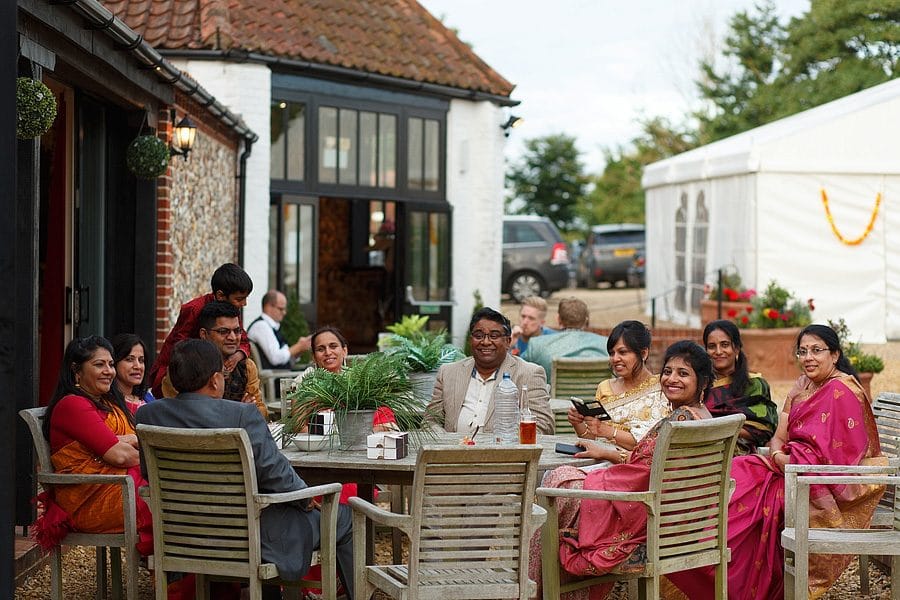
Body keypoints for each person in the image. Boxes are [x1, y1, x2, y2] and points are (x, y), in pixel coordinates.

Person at [136, 339, 354, 600]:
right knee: (345, 517)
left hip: (183, 536)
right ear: (216, 380)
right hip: (248, 537)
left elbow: (149, 474)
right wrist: (307, 497)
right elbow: (275, 473)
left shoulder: (148, 416)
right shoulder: (241, 415)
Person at [682, 324, 884, 600]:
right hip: (787, 468)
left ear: (834, 355)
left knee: (743, 507)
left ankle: (734, 583)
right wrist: (778, 456)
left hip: (816, 484)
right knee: (736, 473)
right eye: (802, 351)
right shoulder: (803, 386)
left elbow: (835, 461)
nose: (808, 357)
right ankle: (700, 559)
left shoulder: (843, 391)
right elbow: (779, 435)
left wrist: (783, 459)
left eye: (817, 350)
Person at [528, 340, 716, 599]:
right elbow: (651, 467)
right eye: (668, 371)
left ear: (703, 382)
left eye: (683, 373)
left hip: (650, 518)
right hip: (680, 519)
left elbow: (641, 474)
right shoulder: (704, 418)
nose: (672, 379)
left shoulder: (681, 419)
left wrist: (597, 472)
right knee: (567, 481)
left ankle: (535, 591)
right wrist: (606, 456)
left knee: (557, 483)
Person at [33, 336, 153, 555]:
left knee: (176, 498)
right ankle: (176, 584)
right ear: (76, 370)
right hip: (90, 497)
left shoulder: (103, 402)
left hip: (115, 485)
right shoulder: (73, 404)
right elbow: (120, 456)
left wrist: (127, 441)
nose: (109, 371)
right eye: (99, 364)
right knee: (172, 504)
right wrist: (156, 459)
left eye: (110, 363)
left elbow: (121, 443)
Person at [427, 307, 554, 435]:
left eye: (494, 336)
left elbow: (543, 426)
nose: (486, 342)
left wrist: (504, 442)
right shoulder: (448, 372)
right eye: (478, 335)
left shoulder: (529, 374)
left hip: (506, 452)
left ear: (508, 342)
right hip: (453, 452)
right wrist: (445, 441)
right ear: (471, 340)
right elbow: (430, 420)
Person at [148, 263, 253, 397]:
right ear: (220, 295)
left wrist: (237, 356)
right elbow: (180, 347)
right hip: (182, 371)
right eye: (239, 299)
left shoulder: (233, 310)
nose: (244, 304)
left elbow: (243, 340)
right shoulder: (193, 309)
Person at [566, 320, 668, 452]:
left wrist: (608, 431)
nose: (615, 359)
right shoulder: (605, 387)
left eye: (623, 352)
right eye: (611, 353)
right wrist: (578, 423)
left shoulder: (661, 387)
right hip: (598, 460)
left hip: (635, 466)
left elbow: (651, 444)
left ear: (643, 353)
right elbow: (593, 438)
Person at [161, 301, 267, 419]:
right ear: (204, 334)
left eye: (237, 331)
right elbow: (174, 413)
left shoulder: (246, 366)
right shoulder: (183, 364)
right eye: (223, 331)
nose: (232, 337)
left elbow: (261, 411)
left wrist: (248, 411)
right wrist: (239, 412)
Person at [291, 325, 396, 432]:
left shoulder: (360, 381)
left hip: (363, 439)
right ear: (314, 357)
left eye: (333, 346)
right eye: (320, 349)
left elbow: (384, 420)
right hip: (320, 443)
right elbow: (299, 427)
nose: (327, 352)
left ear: (344, 351)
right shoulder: (305, 382)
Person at [703, 320, 778, 454]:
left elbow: (763, 428)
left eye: (725, 345)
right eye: (712, 346)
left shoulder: (755, 384)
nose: (718, 351)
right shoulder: (699, 385)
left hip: (740, 455)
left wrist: (713, 428)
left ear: (736, 348)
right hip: (700, 451)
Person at [521, 297, 608, 384]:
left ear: (558, 319)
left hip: (553, 398)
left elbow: (518, 371)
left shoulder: (537, 345)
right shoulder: (606, 344)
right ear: (586, 320)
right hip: (595, 397)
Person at [247, 290, 311, 369]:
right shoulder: (261, 326)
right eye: (281, 309)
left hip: (279, 376)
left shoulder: (271, 326)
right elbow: (275, 358)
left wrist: (299, 350)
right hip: (273, 379)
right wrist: (298, 346)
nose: (284, 312)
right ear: (268, 307)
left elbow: (283, 359)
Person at [110, 333, 154, 413]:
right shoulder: (106, 403)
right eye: (129, 359)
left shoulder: (148, 398)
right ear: (114, 362)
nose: (138, 366)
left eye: (141, 360)